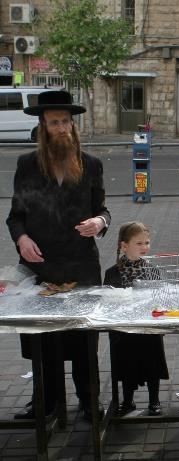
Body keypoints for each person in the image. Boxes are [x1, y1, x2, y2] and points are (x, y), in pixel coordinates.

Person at [6, 90, 111, 420]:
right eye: (55, 122)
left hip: (81, 264)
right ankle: (46, 402)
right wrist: (21, 238)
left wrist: (99, 222)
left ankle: (89, 402)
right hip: (41, 267)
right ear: (43, 126)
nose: (63, 128)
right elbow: (15, 215)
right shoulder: (27, 165)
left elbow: (103, 210)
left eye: (66, 121)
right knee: (43, 339)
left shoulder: (91, 165)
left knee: (83, 339)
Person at [105, 222, 169, 416]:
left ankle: (154, 399)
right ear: (124, 246)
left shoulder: (152, 270)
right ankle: (127, 400)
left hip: (147, 327)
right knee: (126, 364)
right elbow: (108, 299)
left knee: (152, 362)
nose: (144, 247)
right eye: (139, 243)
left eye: (147, 242)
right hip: (124, 328)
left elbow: (159, 298)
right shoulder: (112, 272)